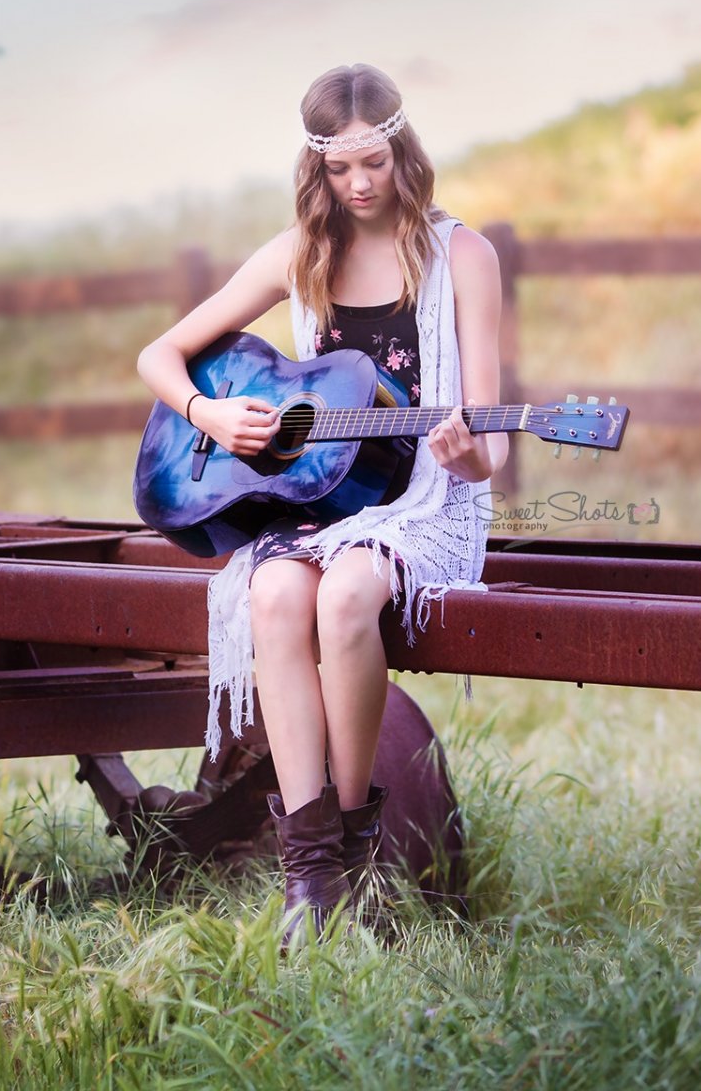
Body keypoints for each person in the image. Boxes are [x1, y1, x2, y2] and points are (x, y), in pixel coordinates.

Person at [135, 63, 504, 939]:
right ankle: (311, 880)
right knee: (272, 592)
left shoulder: (465, 256)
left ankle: (355, 841)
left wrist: (466, 455)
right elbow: (161, 355)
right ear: (316, 170)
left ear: (403, 149)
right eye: (339, 170)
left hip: (423, 503)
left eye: (374, 162)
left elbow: (484, 449)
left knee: (342, 597)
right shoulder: (300, 253)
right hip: (320, 499)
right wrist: (211, 414)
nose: (361, 184)